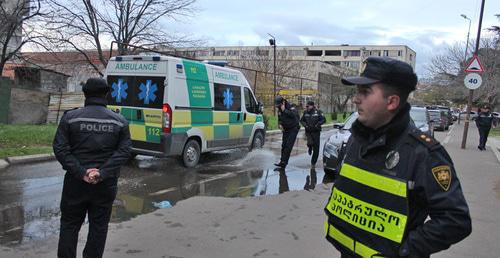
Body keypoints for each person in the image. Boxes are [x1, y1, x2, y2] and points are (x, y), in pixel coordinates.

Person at [324, 57, 471, 257]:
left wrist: (404, 251)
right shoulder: (356, 140)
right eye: (358, 92)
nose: (356, 99)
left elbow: (455, 221)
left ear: (392, 101)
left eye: (365, 92)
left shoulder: (424, 153)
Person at [53, 78, 131, 258]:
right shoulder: (119, 121)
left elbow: (60, 148)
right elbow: (124, 151)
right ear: (106, 94)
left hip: (75, 183)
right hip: (105, 184)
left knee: (69, 225)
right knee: (99, 227)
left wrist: (81, 172)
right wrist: (101, 173)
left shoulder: (70, 118)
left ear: (85, 94)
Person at [274, 96, 300, 169]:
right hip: (286, 129)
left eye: (279, 105)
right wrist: (279, 124)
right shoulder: (279, 109)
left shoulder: (291, 107)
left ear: (283, 102)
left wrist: (284, 110)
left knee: (288, 146)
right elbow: (279, 118)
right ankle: (282, 161)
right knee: (284, 146)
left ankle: (284, 164)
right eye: (277, 106)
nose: (278, 107)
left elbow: (293, 116)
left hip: (293, 129)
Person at [300, 101, 326, 168]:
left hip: (316, 132)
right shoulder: (305, 112)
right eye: (306, 106)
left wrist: (318, 124)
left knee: (316, 149)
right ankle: (310, 147)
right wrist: (305, 125)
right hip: (308, 132)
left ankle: (313, 163)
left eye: (308, 106)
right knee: (310, 143)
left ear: (312, 106)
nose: (307, 107)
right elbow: (302, 120)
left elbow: (323, 119)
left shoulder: (318, 112)